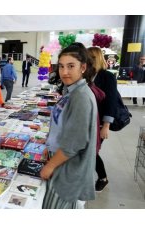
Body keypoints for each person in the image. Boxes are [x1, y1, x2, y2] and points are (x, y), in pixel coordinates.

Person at [40, 43, 97, 209]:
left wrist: (50, 166)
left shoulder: (81, 97)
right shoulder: (71, 91)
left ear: (83, 67)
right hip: (60, 161)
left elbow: (75, 142)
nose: (64, 72)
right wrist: (49, 145)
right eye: (61, 66)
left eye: (71, 66)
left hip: (67, 170)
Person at [87, 47, 118, 192]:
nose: (89, 60)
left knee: (92, 151)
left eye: (92, 57)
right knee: (87, 149)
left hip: (99, 122)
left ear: (98, 58)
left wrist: (106, 125)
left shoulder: (107, 76)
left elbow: (111, 102)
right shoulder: (87, 75)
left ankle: (103, 178)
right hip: (87, 120)